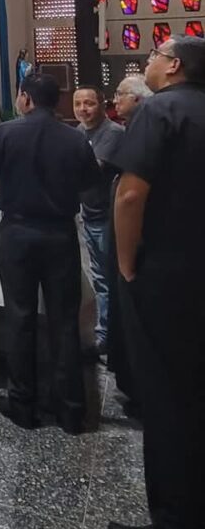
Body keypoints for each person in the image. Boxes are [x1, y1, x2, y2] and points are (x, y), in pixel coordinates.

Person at [108, 37, 205, 529]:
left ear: (174, 66)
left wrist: (125, 264)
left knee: (168, 398)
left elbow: (129, 195)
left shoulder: (162, 109)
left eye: (154, 55)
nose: (146, 62)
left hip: (168, 273)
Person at [0, 73, 100, 432]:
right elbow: (89, 185)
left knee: (20, 316)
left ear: (26, 98)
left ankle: (23, 405)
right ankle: (72, 410)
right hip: (60, 234)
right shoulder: (76, 139)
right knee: (64, 319)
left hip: (17, 232)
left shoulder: (6, 133)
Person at [107, 75, 151, 407]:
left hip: (140, 243)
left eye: (120, 95)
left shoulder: (149, 125)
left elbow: (130, 196)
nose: (115, 101)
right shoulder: (136, 127)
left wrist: (123, 258)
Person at [73, 85, 124, 357]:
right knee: (97, 277)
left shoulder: (113, 133)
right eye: (78, 103)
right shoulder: (79, 133)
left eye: (89, 103)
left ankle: (108, 336)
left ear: (102, 105)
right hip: (86, 214)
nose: (83, 109)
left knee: (106, 279)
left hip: (106, 217)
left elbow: (94, 169)